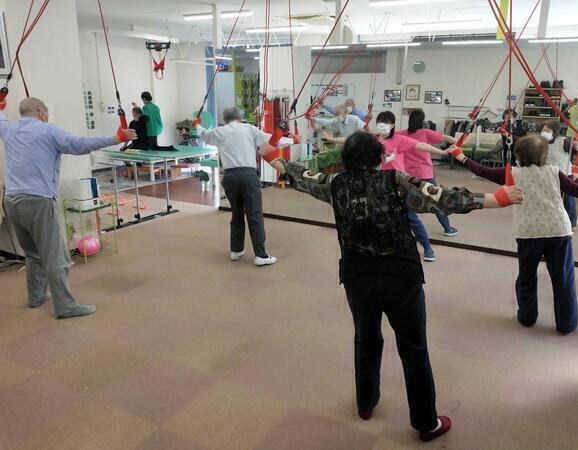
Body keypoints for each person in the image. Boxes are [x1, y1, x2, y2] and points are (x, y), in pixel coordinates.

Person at [266, 131, 523, 441]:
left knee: (365, 340)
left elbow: (300, 176)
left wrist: (272, 154)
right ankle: (426, 423)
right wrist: (495, 199)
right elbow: (440, 197)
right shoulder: (396, 181)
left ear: (346, 159)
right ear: (379, 156)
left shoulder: (335, 185)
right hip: (401, 277)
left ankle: (365, 403)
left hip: (358, 279)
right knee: (414, 350)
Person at [0, 97, 136, 319]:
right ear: (41, 111)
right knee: (57, 256)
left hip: (12, 200)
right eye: (45, 112)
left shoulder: (9, 130)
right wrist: (116, 138)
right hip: (38, 201)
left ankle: (36, 296)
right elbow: (80, 144)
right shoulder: (48, 131)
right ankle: (65, 307)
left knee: (33, 254)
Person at [452, 134, 578, 334]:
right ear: (544, 155)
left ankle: (527, 317)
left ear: (518, 155)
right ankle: (567, 323)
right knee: (563, 279)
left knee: (526, 277)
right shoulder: (554, 171)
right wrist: (577, 175)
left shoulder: (512, 173)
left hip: (528, 233)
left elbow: (481, 170)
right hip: (558, 230)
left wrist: (461, 156)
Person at [194, 106, 292, 266]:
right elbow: (272, 140)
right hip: (248, 176)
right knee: (254, 214)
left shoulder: (219, 131)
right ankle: (261, 255)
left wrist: (197, 124)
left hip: (229, 177)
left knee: (237, 213)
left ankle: (236, 250)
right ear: (239, 117)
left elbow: (203, 134)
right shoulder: (249, 128)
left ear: (225, 119)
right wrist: (293, 140)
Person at [376, 111, 448, 262]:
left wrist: (442, 151)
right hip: (382, 183)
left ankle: (427, 247)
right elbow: (352, 139)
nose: (381, 126)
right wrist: (332, 139)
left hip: (400, 183)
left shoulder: (399, 138)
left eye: (385, 123)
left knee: (410, 217)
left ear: (392, 125)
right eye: (379, 123)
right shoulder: (375, 139)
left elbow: (421, 145)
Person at [401, 110, 461, 238]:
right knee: (436, 202)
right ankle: (448, 229)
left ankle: (409, 231)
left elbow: (382, 136)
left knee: (408, 205)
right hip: (425, 174)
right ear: (422, 120)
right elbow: (446, 138)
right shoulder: (425, 132)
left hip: (408, 175)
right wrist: (460, 142)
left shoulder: (402, 133)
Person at [541, 120, 578, 228]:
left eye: (547, 130)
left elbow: (577, 152)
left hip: (566, 174)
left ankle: (571, 223)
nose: (544, 132)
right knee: (549, 198)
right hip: (550, 175)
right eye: (543, 130)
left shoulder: (563, 141)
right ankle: (551, 220)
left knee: (568, 199)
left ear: (554, 132)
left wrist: (576, 146)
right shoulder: (541, 143)